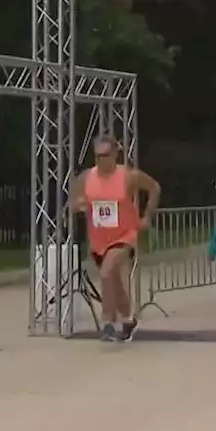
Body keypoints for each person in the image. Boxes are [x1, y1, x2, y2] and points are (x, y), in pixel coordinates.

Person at [70, 135, 161, 342]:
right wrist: (79, 204)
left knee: (106, 271)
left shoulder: (128, 176)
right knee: (115, 282)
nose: (102, 160)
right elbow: (73, 203)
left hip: (124, 235)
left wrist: (147, 216)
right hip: (99, 239)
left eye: (105, 155)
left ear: (115, 154)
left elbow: (154, 188)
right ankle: (128, 320)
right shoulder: (87, 177)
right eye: (98, 156)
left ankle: (108, 323)